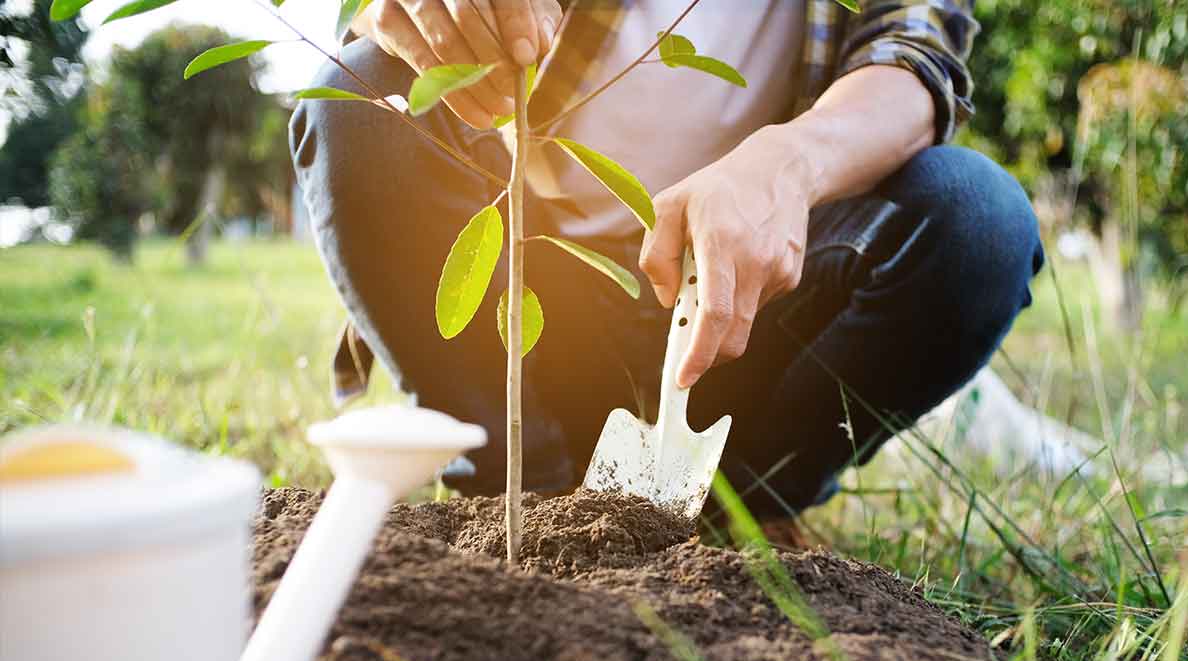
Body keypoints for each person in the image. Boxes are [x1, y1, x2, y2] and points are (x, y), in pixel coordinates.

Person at [289, 0, 1044, 517]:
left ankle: (741, 516)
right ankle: (519, 497)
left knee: (978, 219)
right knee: (358, 94)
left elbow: (914, 58)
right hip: (544, 311)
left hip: (750, 314)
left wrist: (790, 159)